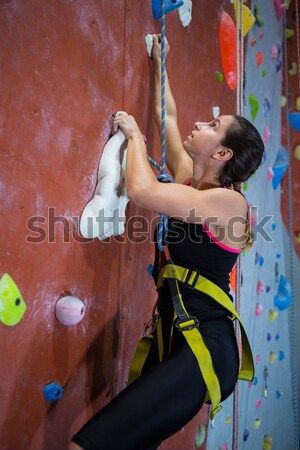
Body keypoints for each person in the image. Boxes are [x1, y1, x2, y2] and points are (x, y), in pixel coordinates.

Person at [70, 34, 264, 450]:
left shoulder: (230, 205)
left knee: (91, 444)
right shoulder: (189, 179)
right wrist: (161, 59)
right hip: (180, 339)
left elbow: (141, 190)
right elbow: (170, 116)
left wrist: (135, 137)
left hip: (204, 348)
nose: (201, 124)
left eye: (213, 127)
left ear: (224, 155)